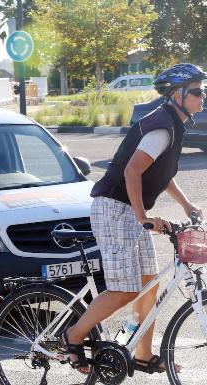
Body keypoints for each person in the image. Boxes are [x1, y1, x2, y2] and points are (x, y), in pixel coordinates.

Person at [63, 63, 206, 374]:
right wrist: (143, 217)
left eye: (203, 90)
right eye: (196, 91)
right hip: (115, 207)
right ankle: (73, 336)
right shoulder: (161, 126)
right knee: (125, 289)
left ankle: (142, 353)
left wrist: (186, 205)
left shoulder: (174, 125)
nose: (202, 95)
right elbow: (132, 171)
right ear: (177, 95)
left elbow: (162, 174)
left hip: (128, 210)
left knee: (148, 284)